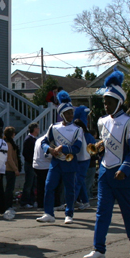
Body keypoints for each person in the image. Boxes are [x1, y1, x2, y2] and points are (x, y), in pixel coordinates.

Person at [83, 69, 130, 258]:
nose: (106, 106)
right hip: (105, 172)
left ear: (119, 102)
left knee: (128, 211)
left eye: (109, 102)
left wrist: (124, 169)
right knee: (102, 212)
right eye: (104, 102)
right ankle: (99, 249)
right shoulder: (102, 122)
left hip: (122, 174)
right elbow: (106, 143)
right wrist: (100, 147)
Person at [37, 91, 83, 224]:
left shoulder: (77, 129)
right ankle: (49, 213)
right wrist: (50, 149)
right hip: (56, 163)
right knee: (49, 186)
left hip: (69, 163)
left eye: (71, 113)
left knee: (69, 189)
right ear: (61, 114)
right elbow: (43, 142)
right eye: (68, 113)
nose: (70, 115)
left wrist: (63, 148)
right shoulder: (54, 127)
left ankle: (69, 214)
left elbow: (77, 148)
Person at [73, 106, 96, 209]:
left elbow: (93, 150)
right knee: (80, 182)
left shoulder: (86, 134)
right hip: (77, 160)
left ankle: (71, 202)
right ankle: (85, 202)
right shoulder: (78, 132)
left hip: (84, 160)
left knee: (78, 181)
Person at [3, 126, 21, 217]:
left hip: (10, 168)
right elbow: (9, 158)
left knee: (10, 187)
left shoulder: (10, 143)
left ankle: (9, 205)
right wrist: (15, 169)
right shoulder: (8, 144)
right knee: (9, 188)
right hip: (9, 169)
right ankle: (8, 205)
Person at [32, 132, 52, 213]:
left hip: (37, 165)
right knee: (48, 186)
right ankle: (47, 204)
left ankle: (40, 204)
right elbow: (47, 155)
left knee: (40, 186)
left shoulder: (38, 140)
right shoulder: (47, 141)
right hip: (45, 166)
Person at [21, 123, 39, 208]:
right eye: (37, 128)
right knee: (28, 183)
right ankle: (24, 202)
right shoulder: (28, 139)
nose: (38, 130)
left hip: (34, 164)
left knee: (33, 184)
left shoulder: (34, 139)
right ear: (34, 129)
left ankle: (31, 201)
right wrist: (32, 161)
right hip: (29, 164)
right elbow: (25, 153)